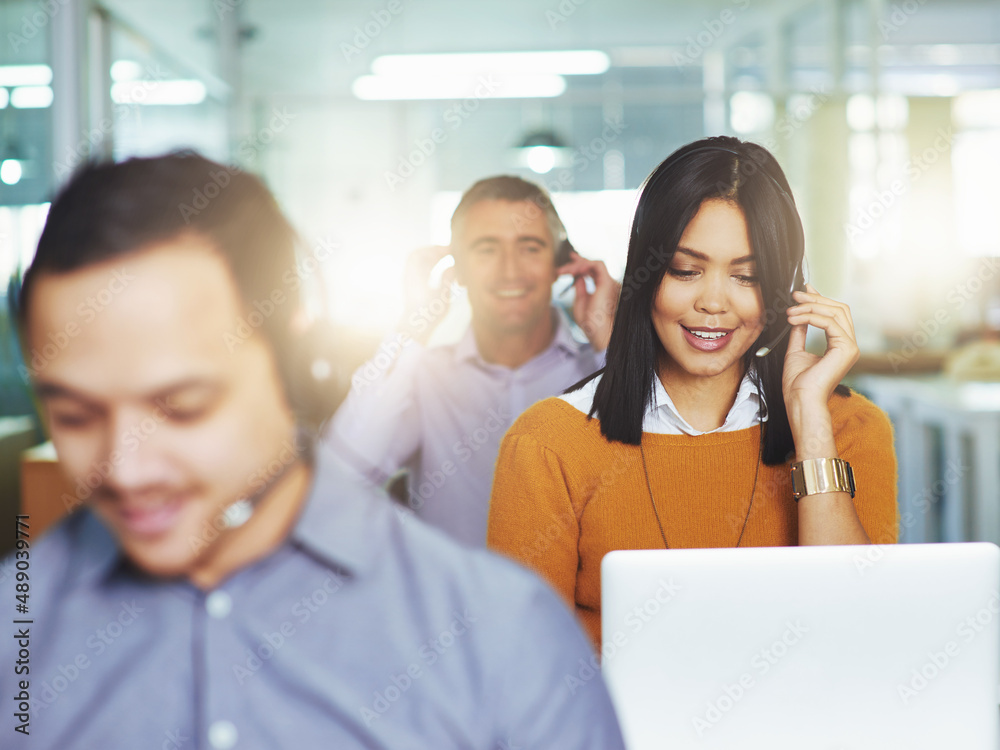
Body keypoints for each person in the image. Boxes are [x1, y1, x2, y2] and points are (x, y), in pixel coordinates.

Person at [1, 153, 626, 748]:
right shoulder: (17, 632)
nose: (127, 470)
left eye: (183, 405)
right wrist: (411, 327)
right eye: (74, 416)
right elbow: (351, 463)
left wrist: (618, 350)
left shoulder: (501, 627)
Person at [487, 136, 899, 649]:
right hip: (617, 730)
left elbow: (859, 636)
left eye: (746, 276)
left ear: (780, 292)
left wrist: (810, 426)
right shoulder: (546, 444)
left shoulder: (849, 428)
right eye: (686, 270)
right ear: (646, 273)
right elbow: (521, 670)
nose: (712, 302)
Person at [328, 176, 620, 547]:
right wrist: (411, 325)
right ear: (458, 268)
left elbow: (651, 480)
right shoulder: (421, 379)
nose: (509, 270)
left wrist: (609, 343)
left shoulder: (597, 372)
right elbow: (340, 476)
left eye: (529, 247)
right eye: (486, 249)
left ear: (562, 263)